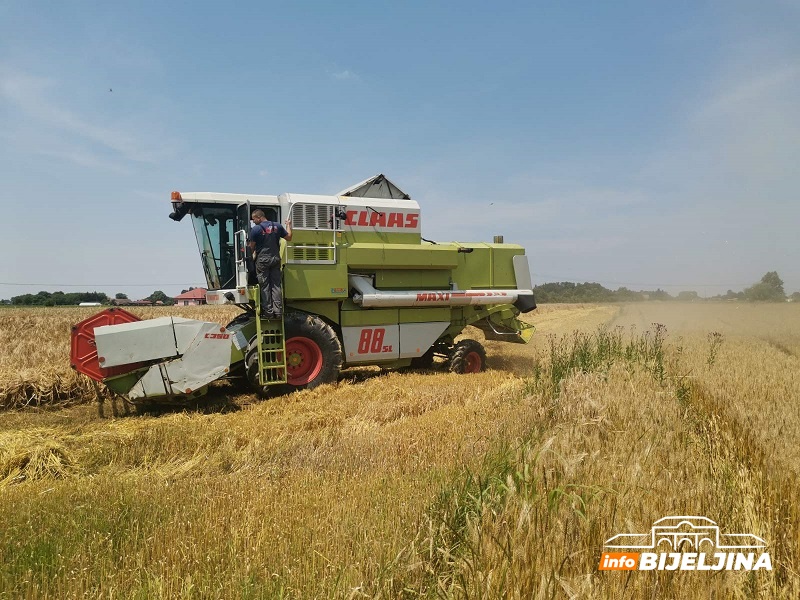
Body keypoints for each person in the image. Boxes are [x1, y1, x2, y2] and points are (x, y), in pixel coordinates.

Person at [248, 209, 292, 318]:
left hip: (263, 261)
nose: (253, 222)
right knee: (276, 285)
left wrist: (250, 259)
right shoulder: (278, 226)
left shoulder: (256, 229)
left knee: (265, 286)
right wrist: (288, 225)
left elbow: (251, 247)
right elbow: (289, 237)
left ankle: (269, 312)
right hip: (275, 259)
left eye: (254, 219)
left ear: (259, 217)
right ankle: (278, 311)